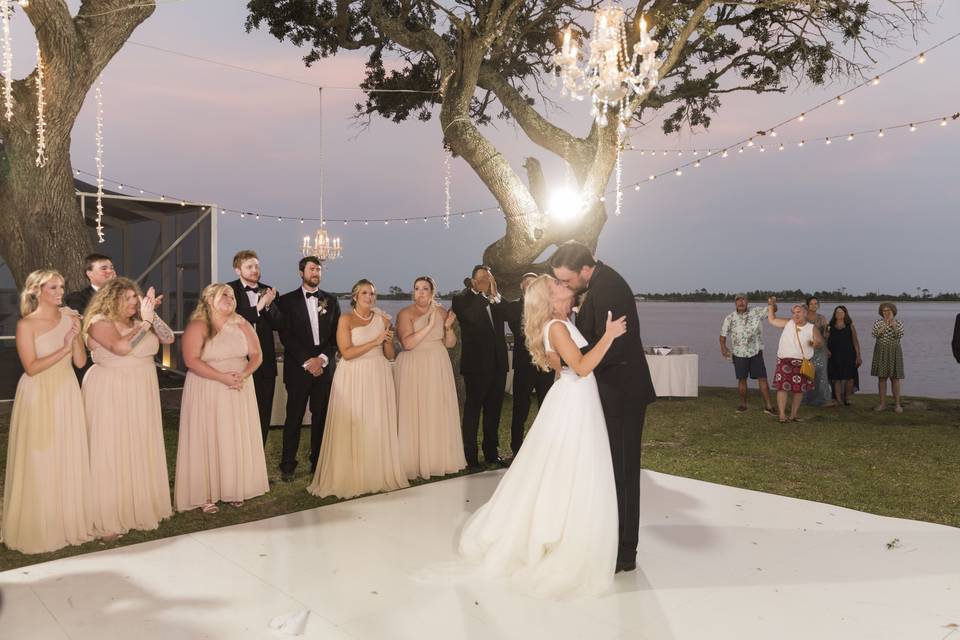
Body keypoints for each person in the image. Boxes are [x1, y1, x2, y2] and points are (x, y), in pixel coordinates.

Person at [458, 275, 627, 598]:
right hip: (575, 400)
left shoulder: (560, 323)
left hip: (573, 398)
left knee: (562, 468)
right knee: (570, 466)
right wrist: (609, 336)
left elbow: (560, 364)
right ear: (550, 298)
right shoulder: (557, 327)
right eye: (560, 286)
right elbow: (581, 367)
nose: (566, 287)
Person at [549, 241, 656, 574]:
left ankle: (625, 552)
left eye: (567, 281)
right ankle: (612, 539)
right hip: (610, 390)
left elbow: (612, 346)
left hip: (622, 392)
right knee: (612, 471)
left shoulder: (608, 287)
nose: (565, 286)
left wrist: (577, 363)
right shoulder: (599, 282)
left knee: (623, 473)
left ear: (584, 270)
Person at [2, 270, 95, 554]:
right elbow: (31, 367)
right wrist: (64, 345)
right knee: (40, 456)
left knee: (67, 453)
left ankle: (67, 520)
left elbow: (80, 362)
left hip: (67, 390)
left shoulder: (69, 318)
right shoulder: (26, 325)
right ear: (36, 291)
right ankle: (40, 523)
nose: (60, 291)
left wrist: (76, 336)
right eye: (53, 287)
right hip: (38, 393)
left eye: (61, 287)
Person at [82, 278, 175, 539]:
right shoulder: (99, 322)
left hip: (141, 390)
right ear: (112, 299)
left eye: (136, 298)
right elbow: (122, 348)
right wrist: (145, 323)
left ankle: (136, 506)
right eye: (129, 299)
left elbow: (167, 338)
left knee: (136, 445)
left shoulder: (138, 322)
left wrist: (151, 316)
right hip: (111, 389)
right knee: (110, 448)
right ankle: (106, 517)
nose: (134, 303)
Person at [308, 280, 409, 498]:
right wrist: (375, 341)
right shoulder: (345, 319)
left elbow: (389, 355)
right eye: (364, 293)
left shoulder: (383, 319)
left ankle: (376, 473)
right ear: (355, 296)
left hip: (378, 374)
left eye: (372, 293)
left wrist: (388, 342)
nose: (369, 297)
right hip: (353, 375)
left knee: (375, 422)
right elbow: (347, 352)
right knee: (353, 423)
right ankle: (351, 475)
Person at [174, 284, 269, 513]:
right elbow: (191, 360)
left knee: (233, 435)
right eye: (223, 294)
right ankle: (205, 493)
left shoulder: (242, 323)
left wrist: (243, 375)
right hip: (208, 386)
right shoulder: (198, 325)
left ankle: (233, 487)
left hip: (238, 385)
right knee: (208, 436)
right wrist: (221, 377)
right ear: (209, 299)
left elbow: (257, 354)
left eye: (232, 295)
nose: (230, 298)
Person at [276, 257, 341, 482]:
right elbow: (286, 336)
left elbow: (336, 335)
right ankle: (287, 465)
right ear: (301, 272)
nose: (316, 272)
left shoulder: (331, 301)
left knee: (321, 416)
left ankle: (318, 462)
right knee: (293, 417)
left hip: (324, 370)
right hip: (298, 369)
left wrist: (322, 359)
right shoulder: (286, 301)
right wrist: (307, 361)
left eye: (319, 269)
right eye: (312, 269)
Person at [395, 276, 465, 480]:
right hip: (414, 365)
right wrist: (431, 324)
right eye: (417, 288)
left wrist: (448, 327)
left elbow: (450, 343)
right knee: (415, 410)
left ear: (432, 291)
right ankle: (413, 461)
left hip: (437, 363)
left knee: (436, 408)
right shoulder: (405, 313)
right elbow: (407, 344)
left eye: (425, 288)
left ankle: (437, 459)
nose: (421, 292)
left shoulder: (442, 312)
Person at [451, 265, 509, 470]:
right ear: (473, 281)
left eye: (490, 277)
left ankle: (492, 454)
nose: (487, 281)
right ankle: (470, 457)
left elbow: (510, 315)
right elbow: (471, 318)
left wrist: (495, 296)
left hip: (499, 364)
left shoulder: (494, 298)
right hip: (476, 366)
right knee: (473, 412)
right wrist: (483, 295)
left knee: (493, 411)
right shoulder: (462, 298)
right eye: (483, 278)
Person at [227, 250, 281, 443]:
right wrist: (260, 306)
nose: (255, 270)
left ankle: (259, 451)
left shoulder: (268, 291)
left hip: (264, 362)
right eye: (249, 267)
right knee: (236, 410)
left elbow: (279, 323)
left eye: (257, 266)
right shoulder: (228, 290)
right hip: (236, 361)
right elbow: (233, 319)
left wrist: (268, 305)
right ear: (237, 270)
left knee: (263, 409)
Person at [502, 272, 556, 454]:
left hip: (546, 364)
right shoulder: (514, 307)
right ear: (522, 286)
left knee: (547, 406)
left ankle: (546, 448)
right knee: (520, 408)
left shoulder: (548, 306)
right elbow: (519, 329)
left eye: (535, 283)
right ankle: (516, 449)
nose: (532, 286)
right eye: (528, 283)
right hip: (524, 365)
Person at [767, 297, 823, 423]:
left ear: (805, 313)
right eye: (794, 312)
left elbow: (819, 341)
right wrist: (771, 305)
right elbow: (772, 320)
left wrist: (815, 343)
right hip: (784, 361)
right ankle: (782, 415)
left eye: (798, 312)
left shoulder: (811, 327)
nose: (795, 315)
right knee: (782, 388)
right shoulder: (788, 323)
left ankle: (793, 415)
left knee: (799, 390)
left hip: (802, 363)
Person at [719, 294, 775, 415]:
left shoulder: (756, 311)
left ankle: (769, 406)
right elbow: (722, 335)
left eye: (743, 299)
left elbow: (772, 311)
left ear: (747, 302)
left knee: (762, 378)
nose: (741, 302)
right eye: (738, 300)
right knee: (742, 379)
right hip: (738, 354)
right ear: (735, 303)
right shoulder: (730, 318)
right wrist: (723, 347)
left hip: (756, 352)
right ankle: (743, 405)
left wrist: (772, 304)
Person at [64, 253, 117, 383]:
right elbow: (89, 320)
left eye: (112, 267)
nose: (110, 271)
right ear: (89, 273)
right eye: (104, 268)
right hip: (91, 366)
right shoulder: (77, 298)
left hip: (122, 363)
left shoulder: (125, 297)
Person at [871, 302, 905, 413]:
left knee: (895, 379)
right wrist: (885, 325)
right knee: (881, 378)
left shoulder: (899, 323)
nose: (886, 313)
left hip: (894, 351)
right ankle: (882, 404)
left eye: (888, 311)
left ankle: (897, 405)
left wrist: (893, 324)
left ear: (893, 311)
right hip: (881, 351)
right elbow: (875, 335)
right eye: (884, 311)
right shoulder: (878, 322)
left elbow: (899, 335)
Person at [803, 296, 836, 407]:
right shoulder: (803, 318)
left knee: (822, 375)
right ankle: (808, 400)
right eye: (811, 304)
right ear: (807, 305)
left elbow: (826, 333)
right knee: (808, 374)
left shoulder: (822, 318)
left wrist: (827, 333)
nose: (814, 305)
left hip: (820, 350)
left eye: (816, 303)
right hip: (806, 349)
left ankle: (825, 400)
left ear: (818, 305)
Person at [826, 305, 862, 406]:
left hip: (849, 355)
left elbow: (855, 342)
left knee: (850, 377)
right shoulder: (829, 326)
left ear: (845, 314)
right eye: (837, 312)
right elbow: (825, 340)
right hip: (834, 356)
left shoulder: (850, 326)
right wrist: (827, 350)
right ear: (834, 314)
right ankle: (838, 399)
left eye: (841, 312)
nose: (839, 314)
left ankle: (847, 397)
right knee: (836, 378)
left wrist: (858, 355)